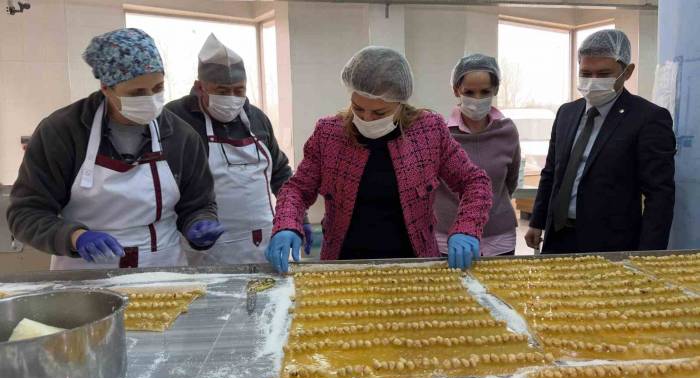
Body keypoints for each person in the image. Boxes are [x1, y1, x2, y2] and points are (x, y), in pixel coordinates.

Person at [7, 28, 224, 270]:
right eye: (137, 93)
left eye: (158, 88)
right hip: (86, 271)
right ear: (106, 88)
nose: (151, 99)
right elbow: (25, 213)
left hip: (162, 268)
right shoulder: (63, 132)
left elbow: (198, 203)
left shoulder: (180, 136)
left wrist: (199, 222)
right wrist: (75, 237)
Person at [265, 46, 493, 273]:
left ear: (400, 103)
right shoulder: (329, 134)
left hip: (414, 264)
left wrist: (466, 227)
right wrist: (286, 224)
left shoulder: (429, 132)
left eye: (380, 113)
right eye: (359, 108)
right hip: (344, 264)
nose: (366, 118)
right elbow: (297, 189)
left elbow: (475, 182)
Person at [525, 29, 676, 254]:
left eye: (604, 73)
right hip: (558, 238)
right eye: (586, 73)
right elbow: (551, 172)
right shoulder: (567, 113)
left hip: (611, 244)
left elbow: (660, 195)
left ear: (627, 71)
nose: (593, 81)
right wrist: (537, 221)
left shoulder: (648, 118)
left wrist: (649, 254)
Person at [166, 34, 312, 265]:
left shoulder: (257, 118)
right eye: (222, 91)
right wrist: (191, 222)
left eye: (239, 90)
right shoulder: (176, 118)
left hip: (266, 240)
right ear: (199, 87)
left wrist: (296, 218)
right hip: (208, 247)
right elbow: (165, 182)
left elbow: (280, 173)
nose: (232, 99)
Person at [435, 54, 521, 257]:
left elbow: (510, 181)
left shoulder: (507, 131)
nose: (477, 99)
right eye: (469, 92)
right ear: (456, 90)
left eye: (485, 92)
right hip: (450, 238)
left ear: (495, 90)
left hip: (498, 237)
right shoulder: (441, 133)